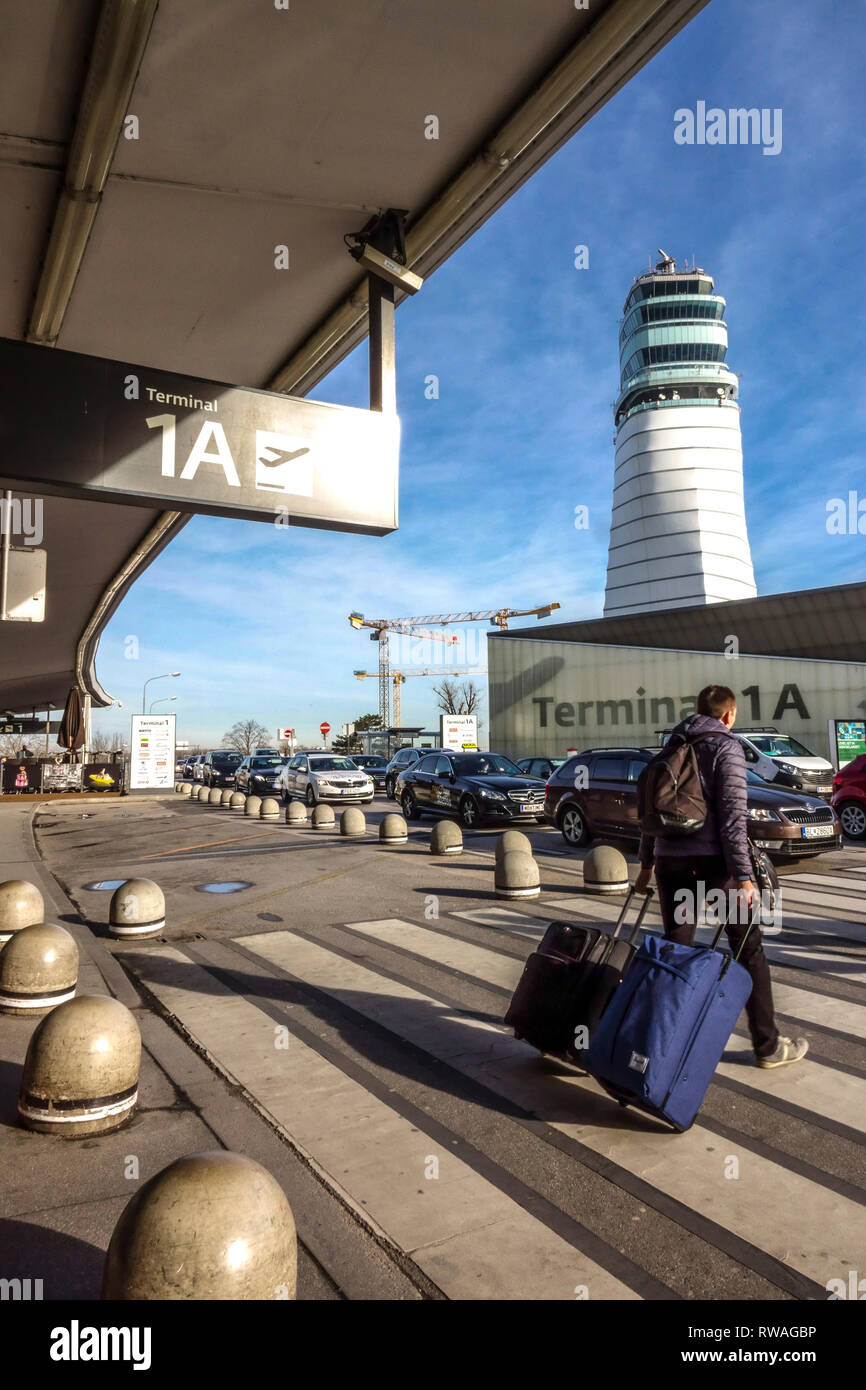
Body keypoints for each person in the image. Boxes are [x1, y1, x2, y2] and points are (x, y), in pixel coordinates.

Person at [634, 683, 808, 1070]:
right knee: (748, 949)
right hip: (714, 865)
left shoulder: (672, 744)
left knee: (676, 952)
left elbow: (650, 813)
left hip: (670, 863)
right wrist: (744, 877)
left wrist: (646, 864)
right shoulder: (726, 747)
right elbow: (732, 818)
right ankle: (767, 1045)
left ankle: (655, 1044)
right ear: (728, 715)